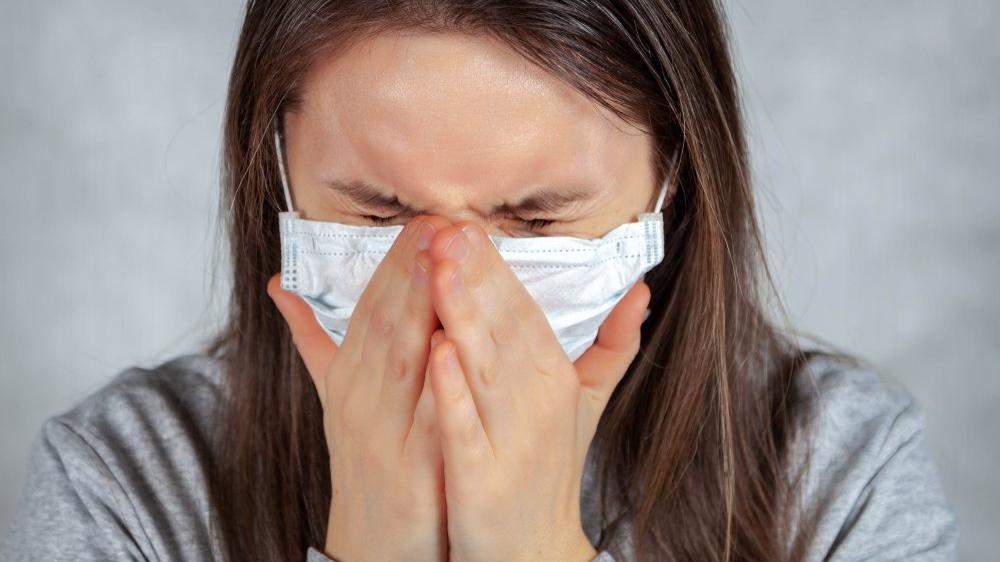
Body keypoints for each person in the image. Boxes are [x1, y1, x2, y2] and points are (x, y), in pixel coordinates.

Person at [3, 1, 958, 561]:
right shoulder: (119, 485)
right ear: (277, 174)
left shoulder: (839, 476)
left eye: (536, 221)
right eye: (378, 214)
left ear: (672, 184)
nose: (453, 282)